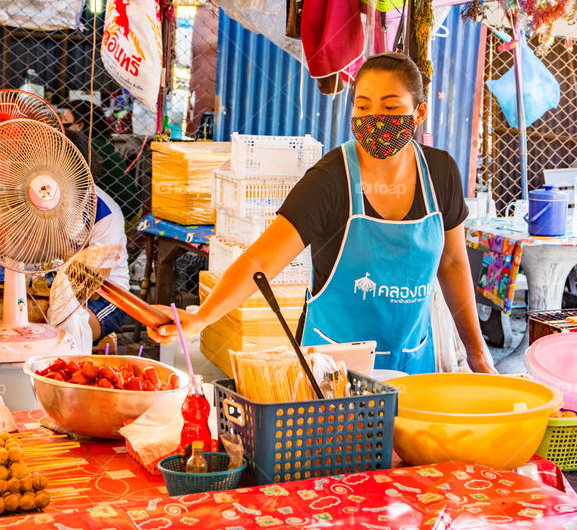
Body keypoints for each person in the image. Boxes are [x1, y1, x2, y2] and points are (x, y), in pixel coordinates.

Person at [150, 52, 495, 374]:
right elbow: (260, 261)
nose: (374, 118)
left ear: (418, 114)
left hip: (414, 362)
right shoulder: (331, 180)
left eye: (390, 109)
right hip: (334, 369)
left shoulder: (440, 173)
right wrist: (201, 318)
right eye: (363, 107)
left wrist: (478, 357)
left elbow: (452, 263)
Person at [64, 129, 134, 344]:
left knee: (68, 336)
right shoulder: (35, 200)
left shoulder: (104, 213)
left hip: (105, 297)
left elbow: (91, 291)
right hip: (58, 288)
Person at [62, 100, 142, 230]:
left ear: (80, 125)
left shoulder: (88, 149)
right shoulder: (99, 142)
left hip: (123, 216)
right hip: (132, 210)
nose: (62, 124)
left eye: (65, 120)